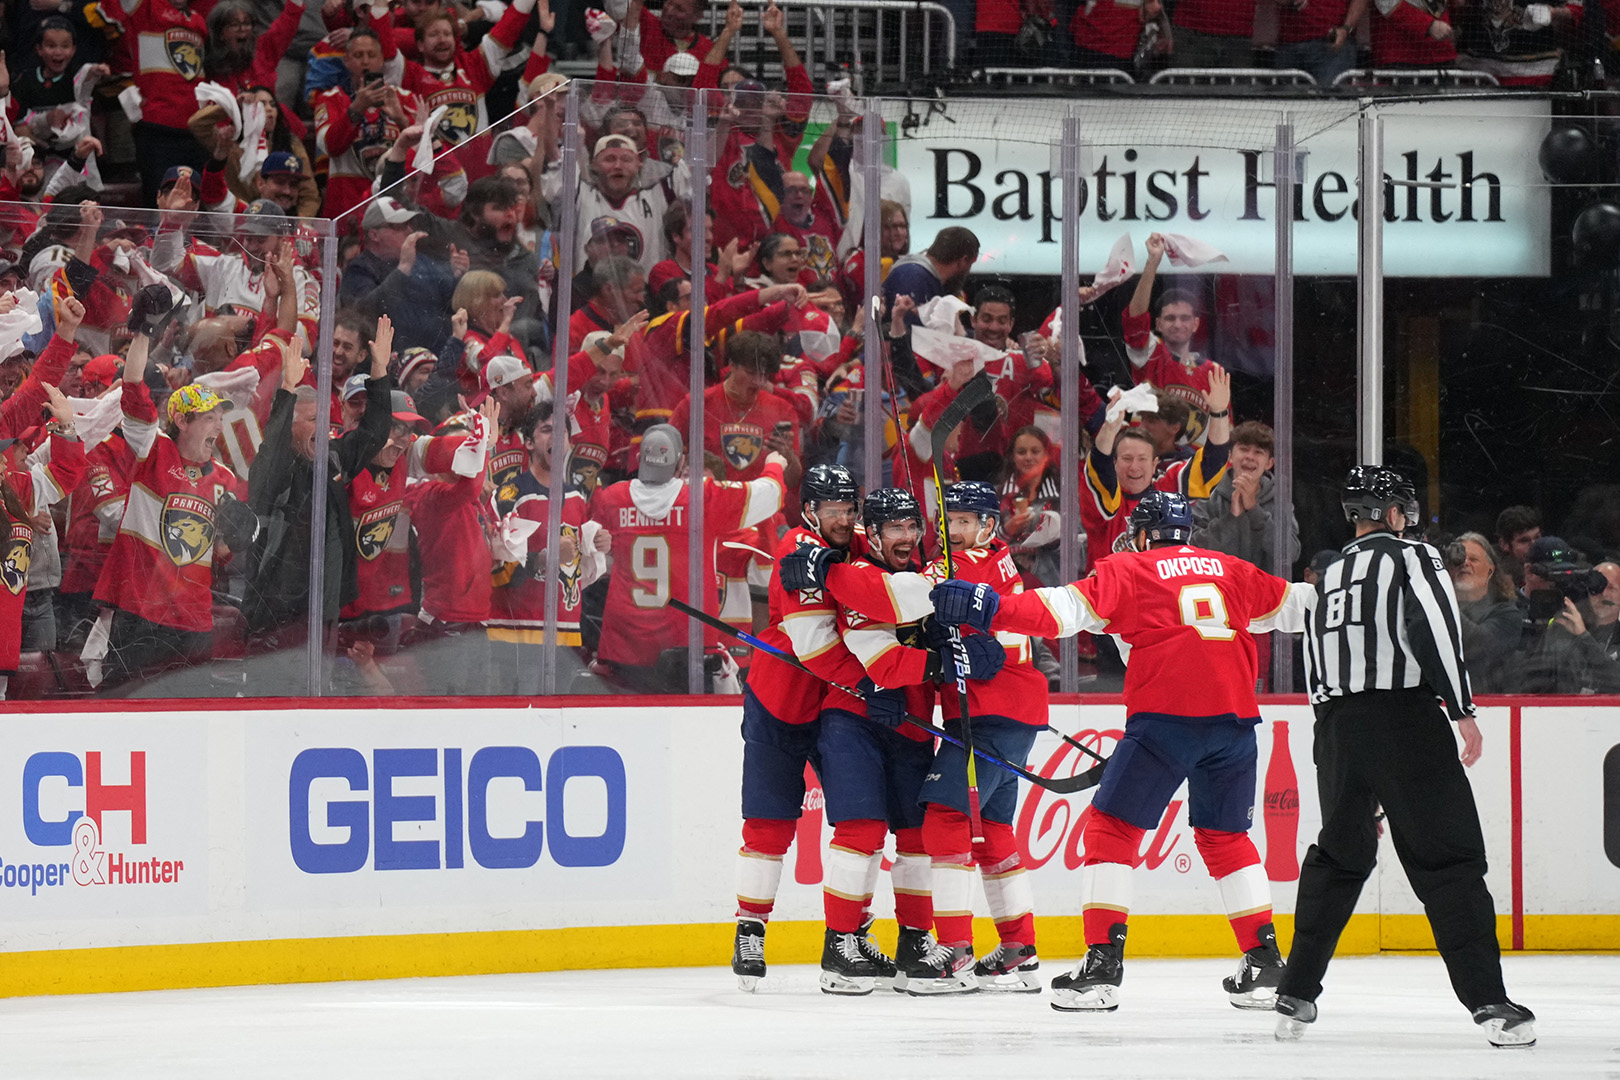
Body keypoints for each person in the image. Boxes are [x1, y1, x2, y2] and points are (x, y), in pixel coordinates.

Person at [929, 490, 1315, 1012]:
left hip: (1167, 720)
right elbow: (1296, 605)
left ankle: (1102, 965)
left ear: (1141, 533)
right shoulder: (1230, 569)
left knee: (1112, 830)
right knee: (1226, 837)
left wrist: (990, 604)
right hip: (1235, 725)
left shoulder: (1132, 569)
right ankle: (1266, 962)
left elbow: (1063, 610)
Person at [1280, 465, 1536, 1048]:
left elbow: (1317, 661)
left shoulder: (1331, 572)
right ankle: (1490, 1002)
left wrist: (1336, 741)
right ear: (1395, 513)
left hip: (1338, 727)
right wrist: (1461, 707)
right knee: (1449, 860)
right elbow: (1434, 628)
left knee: (1340, 856)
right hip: (1404, 721)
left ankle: (1295, 990)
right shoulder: (1412, 557)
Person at [730, 464, 881, 991]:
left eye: (849, 509)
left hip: (836, 705)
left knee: (862, 816)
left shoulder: (853, 540)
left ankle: (853, 930)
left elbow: (890, 550)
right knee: (770, 821)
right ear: (812, 511)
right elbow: (814, 648)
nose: (844, 519)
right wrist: (872, 685)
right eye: (833, 510)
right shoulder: (796, 550)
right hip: (781, 699)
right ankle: (750, 929)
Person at [586, 424, 785, 692]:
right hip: (686, 646)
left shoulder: (612, 498)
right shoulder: (700, 498)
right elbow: (769, 494)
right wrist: (774, 464)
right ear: (680, 463)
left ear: (640, 458)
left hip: (625, 645)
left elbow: (591, 554)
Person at [1123, 232, 1222, 444]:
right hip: (1146, 460)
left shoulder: (1214, 372)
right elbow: (1134, 319)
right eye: (1170, 318)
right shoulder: (1151, 354)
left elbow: (1224, 428)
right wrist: (1153, 262)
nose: (1178, 324)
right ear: (1158, 324)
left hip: (1193, 469)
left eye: (1185, 318)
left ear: (1196, 324)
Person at [1191, 420, 1300, 571]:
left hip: (1264, 591)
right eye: (1244, 449)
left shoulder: (1280, 500)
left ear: (1269, 463)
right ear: (1230, 456)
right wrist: (1231, 518)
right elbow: (1194, 548)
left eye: (1258, 452)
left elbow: (1291, 554)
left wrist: (1254, 510)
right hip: (1220, 589)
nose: (1249, 457)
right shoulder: (1210, 493)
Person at [1444, 531, 1520, 693]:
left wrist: (1441, 598)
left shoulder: (1507, 613)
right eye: (1459, 558)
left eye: (1473, 560)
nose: (1464, 563)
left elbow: (1477, 645)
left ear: (1490, 571)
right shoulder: (1430, 607)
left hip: (1488, 705)